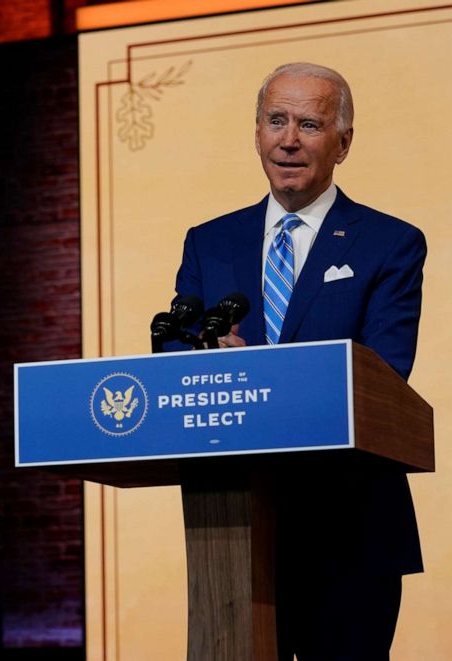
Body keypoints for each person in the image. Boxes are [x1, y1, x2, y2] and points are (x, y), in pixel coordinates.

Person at [174, 62, 426, 660]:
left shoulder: (389, 242)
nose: (288, 139)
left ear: (343, 143)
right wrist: (201, 359)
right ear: (256, 132)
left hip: (350, 528)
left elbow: (383, 373)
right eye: (275, 121)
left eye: (309, 124)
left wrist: (255, 374)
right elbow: (177, 355)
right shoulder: (209, 242)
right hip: (234, 527)